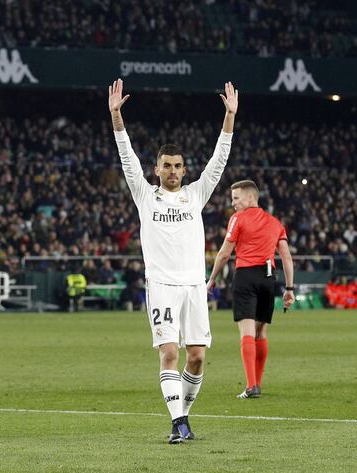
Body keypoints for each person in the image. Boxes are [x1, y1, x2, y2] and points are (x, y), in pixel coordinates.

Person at [109, 78, 238, 443]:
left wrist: (229, 117)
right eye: (166, 165)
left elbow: (219, 161)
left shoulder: (196, 194)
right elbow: (126, 155)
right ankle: (179, 422)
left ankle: (181, 418)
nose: (173, 171)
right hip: (163, 286)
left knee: (196, 357)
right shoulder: (144, 195)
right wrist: (116, 115)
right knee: (168, 353)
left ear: (184, 169)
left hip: (195, 286)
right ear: (157, 169)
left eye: (178, 166)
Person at [207, 180, 295, 399]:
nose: (233, 203)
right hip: (268, 277)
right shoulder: (275, 223)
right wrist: (290, 288)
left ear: (249, 198)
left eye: (236, 198)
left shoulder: (237, 219)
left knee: (246, 333)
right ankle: (257, 384)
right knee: (260, 332)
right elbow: (286, 256)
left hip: (245, 276)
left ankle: (250, 386)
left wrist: (212, 279)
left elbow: (225, 254)